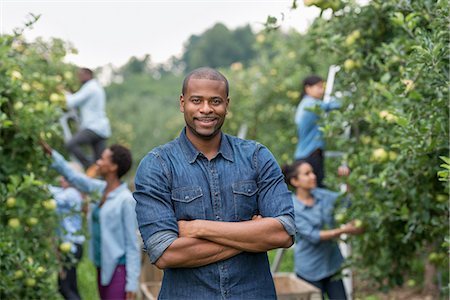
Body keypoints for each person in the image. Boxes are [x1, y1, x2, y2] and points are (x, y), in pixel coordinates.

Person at [133, 67, 295, 299]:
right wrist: (252, 236)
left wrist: (198, 228)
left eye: (215, 101)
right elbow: (165, 253)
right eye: (196, 100)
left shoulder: (257, 157)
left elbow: (283, 233)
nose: (206, 109)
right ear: (182, 103)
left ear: (226, 105)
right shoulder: (157, 165)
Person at [41, 141, 140, 300]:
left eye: (103, 159)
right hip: (102, 267)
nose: (98, 162)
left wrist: (132, 283)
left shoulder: (125, 200)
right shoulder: (99, 189)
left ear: (113, 167)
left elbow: (132, 245)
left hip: (119, 269)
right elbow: (73, 176)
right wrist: (51, 153)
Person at [282, 160, 363, 300]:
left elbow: (347, 201)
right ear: (295, 181)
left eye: (312, 172)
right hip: (309, 270)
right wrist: (344, 230)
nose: (313, 176)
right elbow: (314, 236)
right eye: (307, 174)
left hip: (331, 264)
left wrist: (347, 180)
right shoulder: (293, 208)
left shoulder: (321, 195)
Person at [294, 75, 341, 187]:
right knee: (315, 190)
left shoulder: (303, 104)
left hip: (305, 155)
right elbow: (332, 105)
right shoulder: (310, 104)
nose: (322, 90)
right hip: (310, 156)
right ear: (308, 88)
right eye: (319, 87)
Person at [48, 165, 85, 300]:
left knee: (64, 287)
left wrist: (37, 187)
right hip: (71, 247)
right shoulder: (67, 191)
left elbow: (54, 196)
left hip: (71, 247)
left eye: (64, 176)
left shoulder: (72, 193)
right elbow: (54, 191)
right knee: (71, 286)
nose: (61, 179)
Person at [65, 68, 111, 170]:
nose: (79, 78)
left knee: (71, 144)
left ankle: (89, 166)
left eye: (81, 75)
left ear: (88, 75)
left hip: (93, 127)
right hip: (102, 129)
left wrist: (63, 94)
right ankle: (95, 173)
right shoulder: (96, 87)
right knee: (99, 163)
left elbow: (71, 102)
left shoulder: (90, 87)